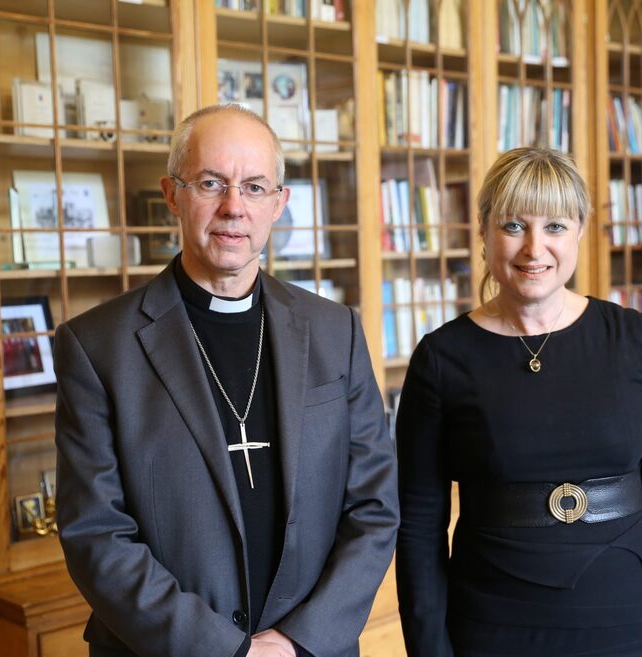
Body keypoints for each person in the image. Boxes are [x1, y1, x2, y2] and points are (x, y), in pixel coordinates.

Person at [54, 103, 399, 657]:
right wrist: (226, 650)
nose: (234, 207)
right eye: (211, 183)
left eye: (256, 187)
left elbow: (375, 506)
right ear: (172, 194)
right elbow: (96, 535)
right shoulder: (96, 347)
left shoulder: (336, 331)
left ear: (280, 204)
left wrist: (298, 640)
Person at [395, 147, 642, 657]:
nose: (534, 248)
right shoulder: (440, 359)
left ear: (581, 231)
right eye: (514, 225)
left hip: (629, 608)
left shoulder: (637, 339)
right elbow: (418, 522)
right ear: (483, 231)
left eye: (556, 227)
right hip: (494, 615)